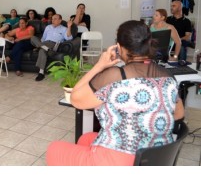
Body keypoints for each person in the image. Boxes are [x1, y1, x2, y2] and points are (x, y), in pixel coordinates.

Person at [46, 20, 185, 166]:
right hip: (156, 157)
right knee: (85, 139)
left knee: (54, 148)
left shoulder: (115, 76)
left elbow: (75, 98)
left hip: (119, 160)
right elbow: (179, 114)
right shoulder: (168, 76)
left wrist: (99, 66)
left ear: (119, 47)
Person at [31, 14, 73, 81]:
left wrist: (69, 27)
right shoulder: (48, 27)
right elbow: (43, 38)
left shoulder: (64, 29)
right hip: (45, 44)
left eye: (55, 19)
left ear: (60, 20)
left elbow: (69, 38)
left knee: (41, 49)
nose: (52, 20)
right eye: (52, 19)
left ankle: (41, 72)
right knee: (33, 38)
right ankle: (44, 49)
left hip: (54, 44)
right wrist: (39, 44)